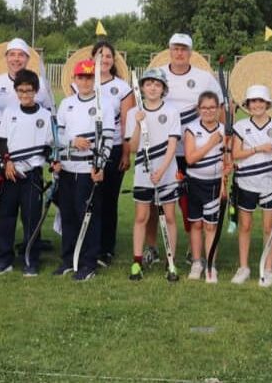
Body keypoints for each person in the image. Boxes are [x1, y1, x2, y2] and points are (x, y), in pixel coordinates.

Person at [143, 33, 224, 267]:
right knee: (155, 201)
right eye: (175, 48)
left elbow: (218, 109)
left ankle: (193, 249)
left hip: (193, 151)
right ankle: (152, 247)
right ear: (169, 50)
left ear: (190, 52)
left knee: (190, 202)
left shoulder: (204, 78)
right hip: (161, 150)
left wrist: (220, 139)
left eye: (184, 49)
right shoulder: (158, 74)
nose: (179, 53)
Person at [55, 59, 115, 281]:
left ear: (95, 80)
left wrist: (100, 165)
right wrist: (72, 142)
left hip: (89, 168)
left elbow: (107, 137)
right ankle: (69, 259)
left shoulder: (104, 105)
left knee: (88, 216)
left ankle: (88, 262)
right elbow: (58, 135)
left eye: (89, 77)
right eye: (81, 77)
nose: (85, 81)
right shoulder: (66, 104)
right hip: (68, 167)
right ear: (74, 79)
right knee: (68, 214)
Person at [0, 69, 54, 276]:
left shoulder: (46, 116)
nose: (25, 95)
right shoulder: (10, 112)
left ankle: (31, 259)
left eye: (28, 91)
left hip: (32, 175)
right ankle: (4, 259)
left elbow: (49, 146)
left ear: (36, 91)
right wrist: (7, 162)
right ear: (16, 91)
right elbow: (2, 140)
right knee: (6, 217)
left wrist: (50, 160)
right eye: (20, 91)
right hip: (10, 174)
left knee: (31, 218)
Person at [126, 68, 181, 282]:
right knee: (141, 217)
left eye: (157, 85)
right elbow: (132, 147)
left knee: (168, 217)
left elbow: (172, 144)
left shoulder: (172, 111)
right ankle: (137, 262)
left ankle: (171, 261)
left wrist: (162, 170)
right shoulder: (134, 113)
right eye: (148, 84)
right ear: (142, 87)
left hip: (166, 172)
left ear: (163, 89)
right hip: (143, 172)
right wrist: (139, 124)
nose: (152, 88)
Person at [90, 40, 135, 267]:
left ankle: (106, 248)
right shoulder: (83, 83)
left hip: (114, 147)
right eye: (100, 55)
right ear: (92, 59)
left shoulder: (122, 87)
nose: (104, 59)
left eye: (108, 56)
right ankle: (90, 244)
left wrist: (126, 153)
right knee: (89, 198)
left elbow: (127, 121)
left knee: (108, 199)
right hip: (88, 148)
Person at [230, 85, 272, 287]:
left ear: (267, 104)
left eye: (261, 101)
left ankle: (267, 269)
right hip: (246, 181)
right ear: (248, 105)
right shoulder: (241, 126)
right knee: (245, 225)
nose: (257, 105)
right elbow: (236, 154)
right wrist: (258, 148)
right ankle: (244, 267)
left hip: (269, 182)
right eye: (253, 101)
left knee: (269, 227)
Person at [183, 91, 227, 283]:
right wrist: (210, 143)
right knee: (196, 224)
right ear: (198, 109)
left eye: (212, 107)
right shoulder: (191, 129)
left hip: (214, 185)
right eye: (204, 108)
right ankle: (196, 263)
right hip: (194, 182)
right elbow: (190, 158)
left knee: (211, 226)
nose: (208, 111)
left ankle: (210, 265)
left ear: (218, 109)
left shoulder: (225, 130)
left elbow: (229, 158)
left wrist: (229, 165)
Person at [0, 38, 53, 117]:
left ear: (27, 59)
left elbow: (49, 111)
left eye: (21, 55)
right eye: (12, 54)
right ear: (6, 58)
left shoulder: (42, 83)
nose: (16, 59)